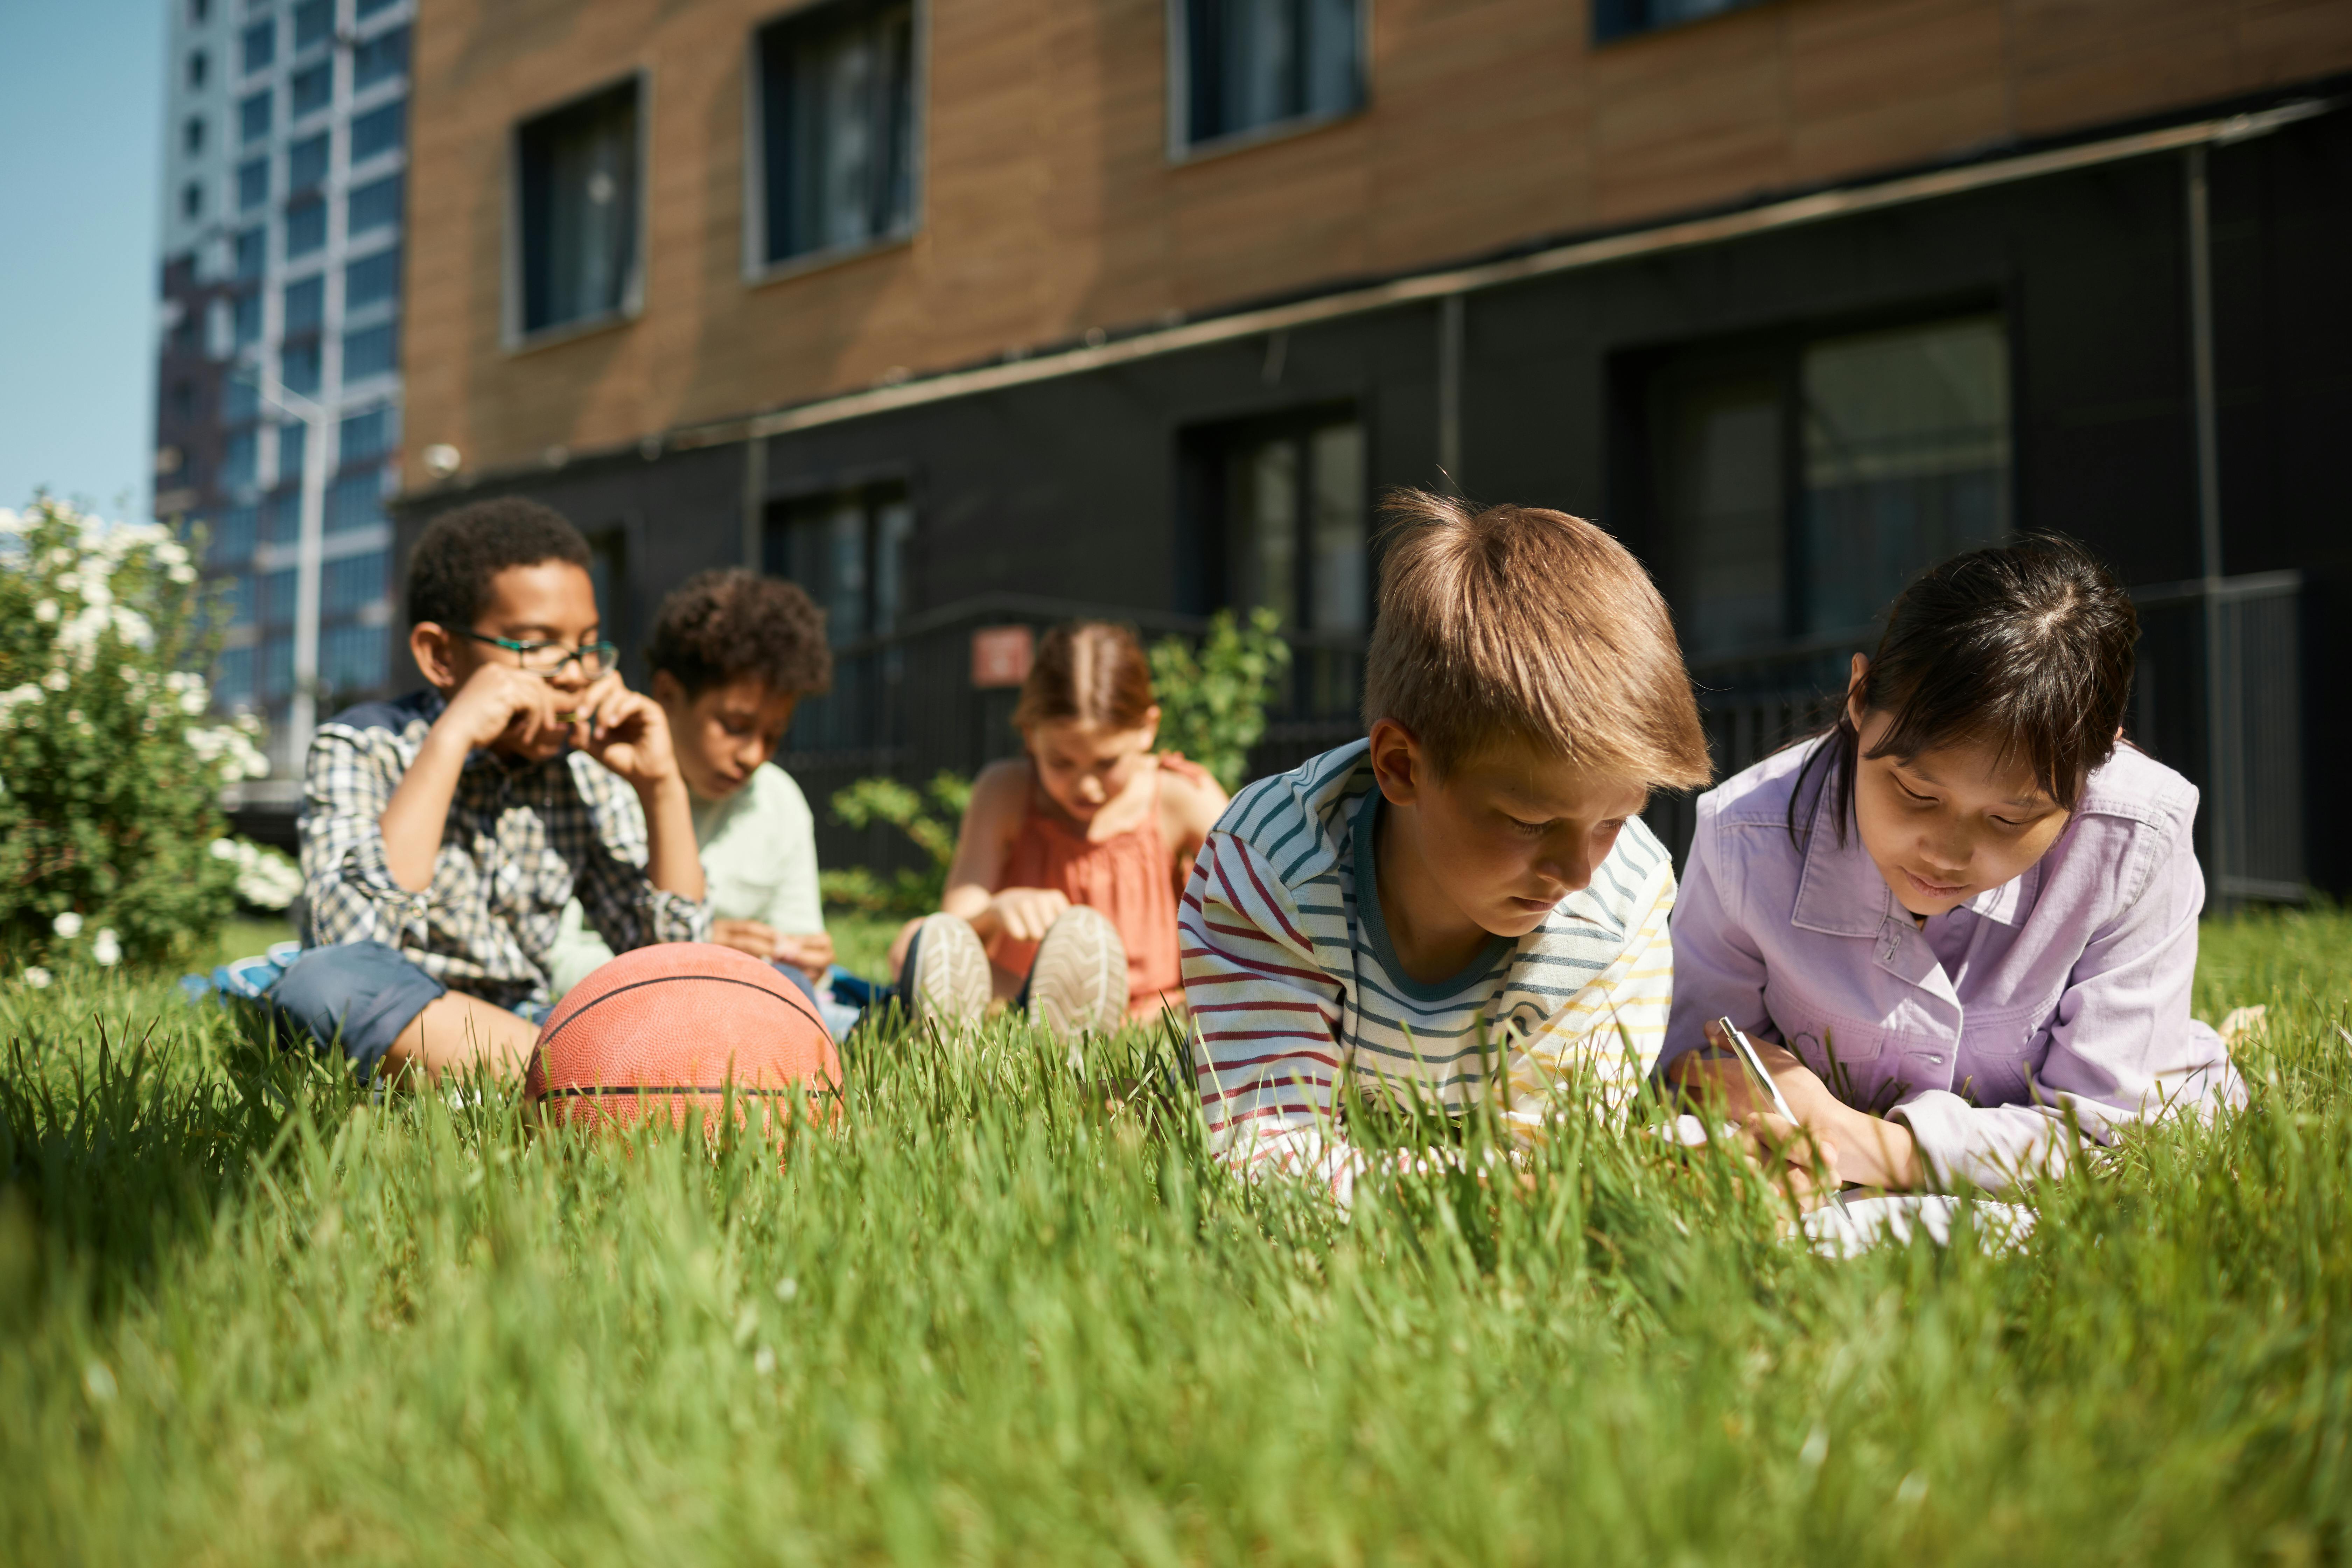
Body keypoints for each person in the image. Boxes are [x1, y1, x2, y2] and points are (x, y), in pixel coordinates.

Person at [1181, 492, 1719, 1208]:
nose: (1577, 870)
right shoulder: (1272, 865)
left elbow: (1547, 1176)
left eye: (1614, 820)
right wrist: (1496, 1183)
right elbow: (1266, 1158)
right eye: (1530, 821)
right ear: (1401, 767)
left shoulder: (1618, 905)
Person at [1661, 538, 2241, 1194]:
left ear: (2099, 761)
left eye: (2008, 819)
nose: (1945, 851)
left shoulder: (2138, 837)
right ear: (1859, 698)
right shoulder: (1746, 837)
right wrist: (1765, 1148)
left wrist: (1872, 1148)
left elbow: (2118, 1138)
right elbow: (1695, 1072)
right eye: (1915, 793)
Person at [268, 497, 707, 1083]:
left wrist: (662, 787)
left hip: (522, 1019)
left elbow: (675, 966)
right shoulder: (362, 745)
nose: (576, 674)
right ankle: (594, 1079)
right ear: (440, 656)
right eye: (537, 645)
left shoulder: (584, 768)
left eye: (588, 644)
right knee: (320, 985)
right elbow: (348, 943)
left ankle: (559, 1077)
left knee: (745, 991)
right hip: (402, 1019)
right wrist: (451, 740)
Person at [545, 568, 852, 1033]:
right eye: (734, 726)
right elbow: (551, 957)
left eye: (772, 736)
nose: (753, 755)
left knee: (833, 1000)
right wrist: (699, 956)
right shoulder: (590, 785)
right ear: (668, 694)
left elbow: (799, 947)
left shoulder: (777, 799)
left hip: (759, 998)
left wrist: (808, 958)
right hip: (631, 1009)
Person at [890, 621, 1230, 1035]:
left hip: (1149, 1009)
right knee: (915, 940)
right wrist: (997, 911)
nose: (1086, 786)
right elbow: (951, 930)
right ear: (1031, 734)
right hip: (1017, 998)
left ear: (1147, 728)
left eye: (1107, 764)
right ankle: (982, 1032)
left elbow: (1262, 898)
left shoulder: (1180, 795)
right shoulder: (1005, 792)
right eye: (1062, 763)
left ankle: (1075, 1025)